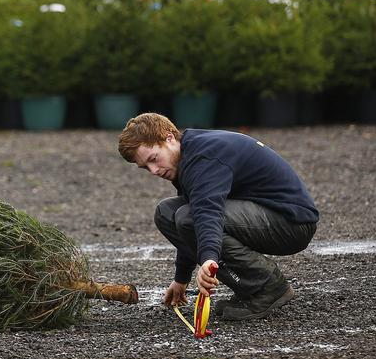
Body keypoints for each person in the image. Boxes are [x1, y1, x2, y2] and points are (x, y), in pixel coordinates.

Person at [118, 113, 318, 320]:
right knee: (166, 213)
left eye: (153, 159)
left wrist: (209, 259)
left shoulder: (203, 157)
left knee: (189, 217)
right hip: (263, 215)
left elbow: (207, 212)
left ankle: (267, 287)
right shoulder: (188, 154)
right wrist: (181, 279)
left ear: (169, 138)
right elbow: (195, 214)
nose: (154, 171)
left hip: (291, 223)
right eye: (145, 167)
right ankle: (249, 289)